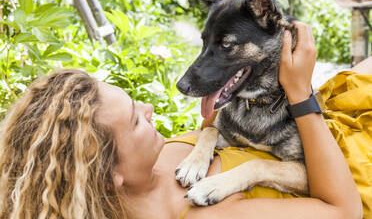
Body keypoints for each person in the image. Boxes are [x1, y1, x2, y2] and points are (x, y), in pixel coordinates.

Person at [0, 22, 366, 219]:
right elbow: (342, 211)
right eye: (135, 122)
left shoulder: (148, 165)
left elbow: (217, 128)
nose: (150, 110)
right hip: (354, 164)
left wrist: (207, 135)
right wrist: (300, 93)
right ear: (112, 174)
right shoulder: (201, 211)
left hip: (331, 119)